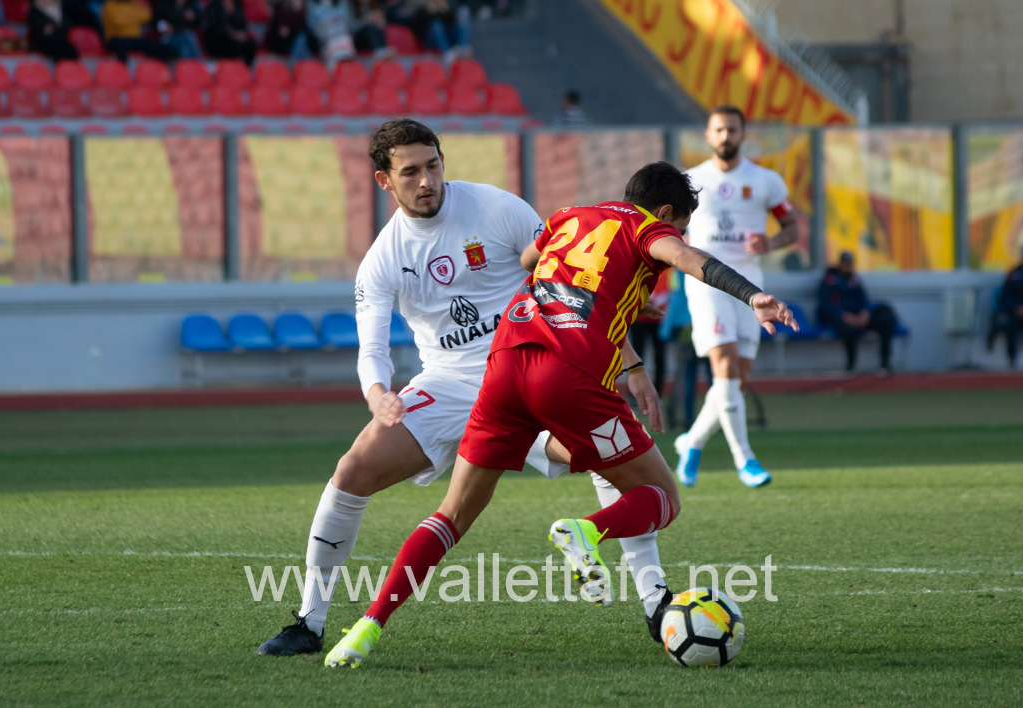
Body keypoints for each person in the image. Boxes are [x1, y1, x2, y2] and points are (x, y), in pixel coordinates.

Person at [322, 161, 796, 668]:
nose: (673, 234)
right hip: (567, 372)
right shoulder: (646, 226)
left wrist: (613, 293)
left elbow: (531, 259)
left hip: (504, 364)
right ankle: (585, 532)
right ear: (663, 212)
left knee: (451, 514)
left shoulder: (570, 214)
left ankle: (367, 628)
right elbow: (687, 258)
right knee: (661, 496)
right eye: (675, 223)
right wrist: (753, 296)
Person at [257, 119, 674, 657]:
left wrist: (628, 363)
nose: (427, 180)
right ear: (386, 181)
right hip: (450, 382)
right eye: (410, 172)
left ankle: (655, 601)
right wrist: (378, 393)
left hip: (533, 359)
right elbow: (372, 348)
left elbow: (575, 281)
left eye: (433, 165)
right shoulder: (382, 260)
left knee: (607, 454)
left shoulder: (497, 208)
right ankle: (309, 623)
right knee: (352, 470)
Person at [672, 105, 799, 490]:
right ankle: (746, 459)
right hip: (705, 282)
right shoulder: (690, 182)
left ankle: (691, 442)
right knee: (724, 368)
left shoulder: (765, 181)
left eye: (732, 129)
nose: (725, 136)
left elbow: (791, 228)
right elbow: (668, 232)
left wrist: (771, 241)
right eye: (718, 130)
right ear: (708, 136)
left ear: (744, 134)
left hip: (751, 287)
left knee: (736, 382)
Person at [817, 250, 899, 374]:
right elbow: (826, 304)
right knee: (847, 330)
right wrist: (844, 316)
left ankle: (885, 363)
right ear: (840, 264)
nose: (847, 266)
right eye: (845, 263)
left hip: (859, 318)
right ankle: (851, 366)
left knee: (885, 319)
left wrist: (865, 313)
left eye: (849, 264)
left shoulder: (855, 280)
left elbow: (864, 300)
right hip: (841, 319)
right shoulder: (830, 280)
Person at [659, 273, 711, 431]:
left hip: (686, 329)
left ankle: (689, 419)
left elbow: (677, 298)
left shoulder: (679, 271)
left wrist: (666, 329)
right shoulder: (708, 263)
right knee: (715, 376)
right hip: (708, 325)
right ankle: (720, 417)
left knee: (688, 376)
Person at [628, 267, 672, 395]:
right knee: (637, 354)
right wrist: (646, 299)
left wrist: (657, 301)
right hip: (639, 319)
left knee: (660, 357)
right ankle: (635, 394)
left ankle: (658, 392)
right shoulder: (638, 266)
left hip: (659, 319)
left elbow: (673, 289)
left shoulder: (669, 270)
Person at [102, 0, 179, 62]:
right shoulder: (110, 5)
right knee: (122, 45)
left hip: (135, 39)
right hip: (116, 38)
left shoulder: (133, 4)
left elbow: (148, 15)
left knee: (161, 48)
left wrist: (127, 16)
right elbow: (118, 20)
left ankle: (159, 74)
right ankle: (122, 71)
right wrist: (135, 17)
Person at [989, 243, 1023, 369]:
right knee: (1012, 323)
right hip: (1016, 313)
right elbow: (1006, 296)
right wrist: (1017, 307)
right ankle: (1012, 359)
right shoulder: (1014, 274)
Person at [204, 0, 258, 66]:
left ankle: (247, 70)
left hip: (236, 39)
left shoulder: (238, 4)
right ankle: (228, 71)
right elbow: (213, 26)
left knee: (250, 45)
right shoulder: (214, 5)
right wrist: (231, 33)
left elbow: (242, 23)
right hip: (219, 39)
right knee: (235, 46)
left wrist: (242, 33)